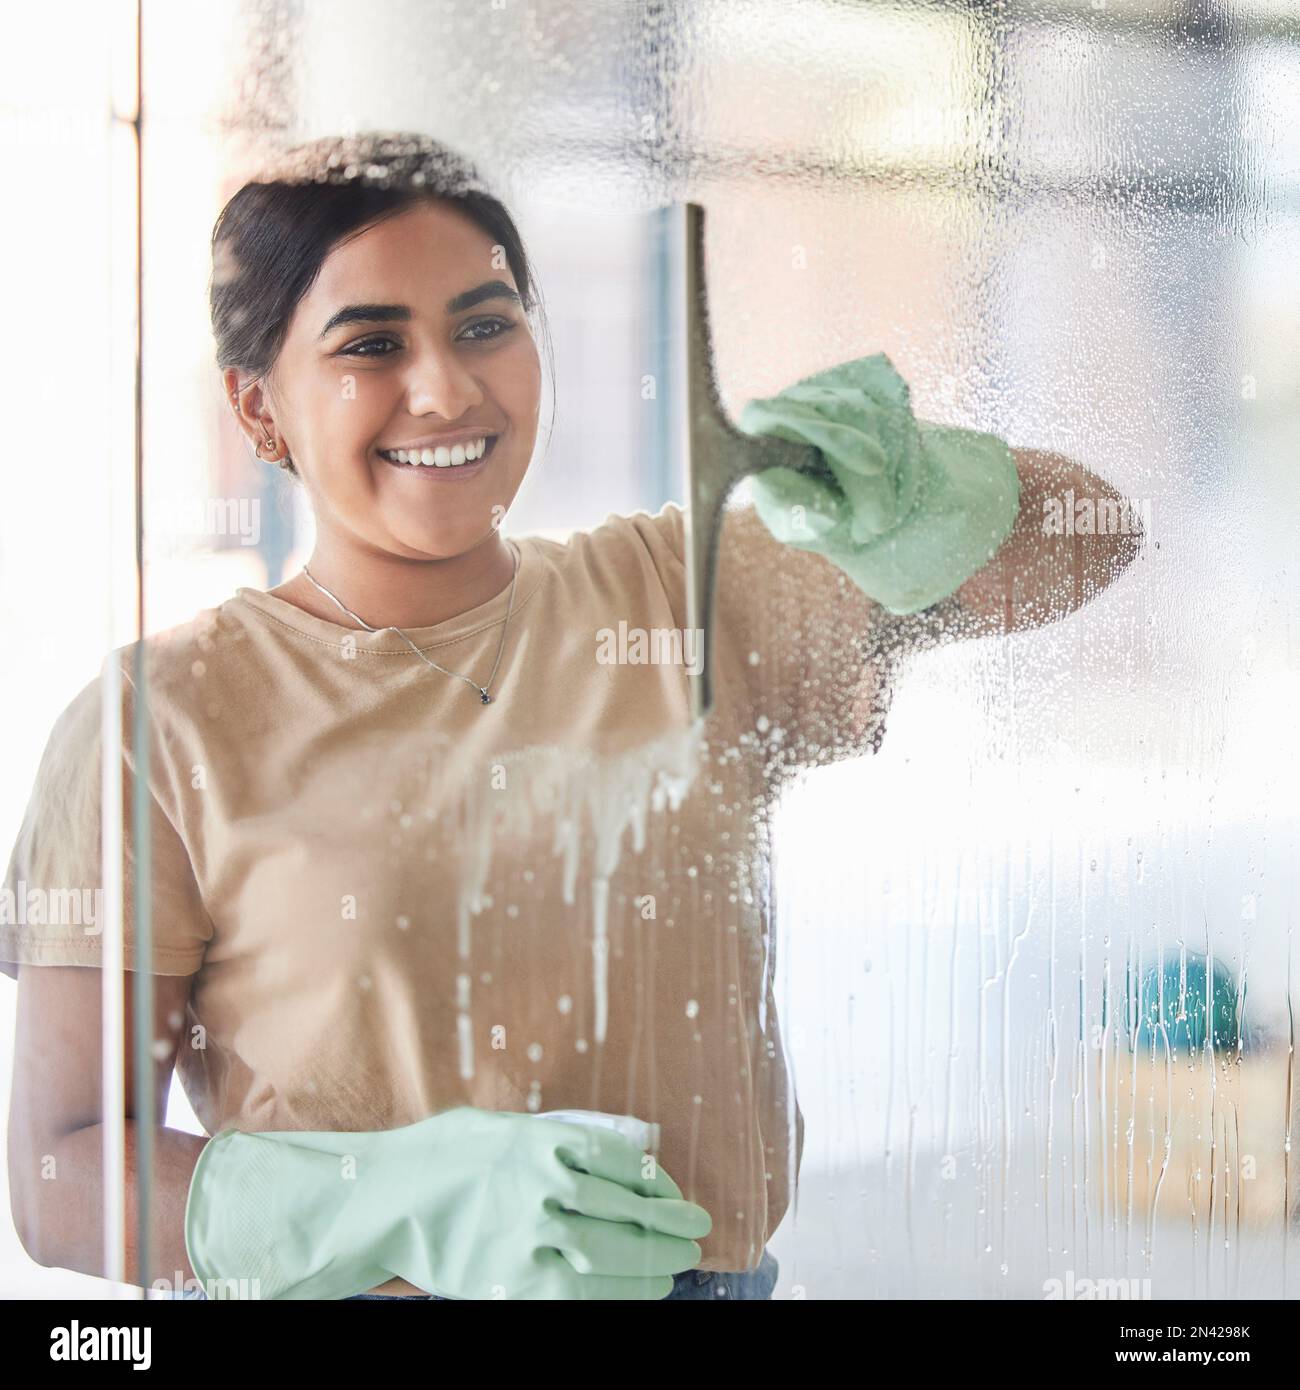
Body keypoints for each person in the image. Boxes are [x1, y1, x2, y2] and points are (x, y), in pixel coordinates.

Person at [2, 131, 1140, 1301]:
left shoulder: (681, 591)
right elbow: (59, 1172)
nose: (445, 386)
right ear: (257, 409)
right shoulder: (161, 722)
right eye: (371, 344)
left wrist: (915, 497)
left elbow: (1092, 542)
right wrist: (391, 1203)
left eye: (486, 322)